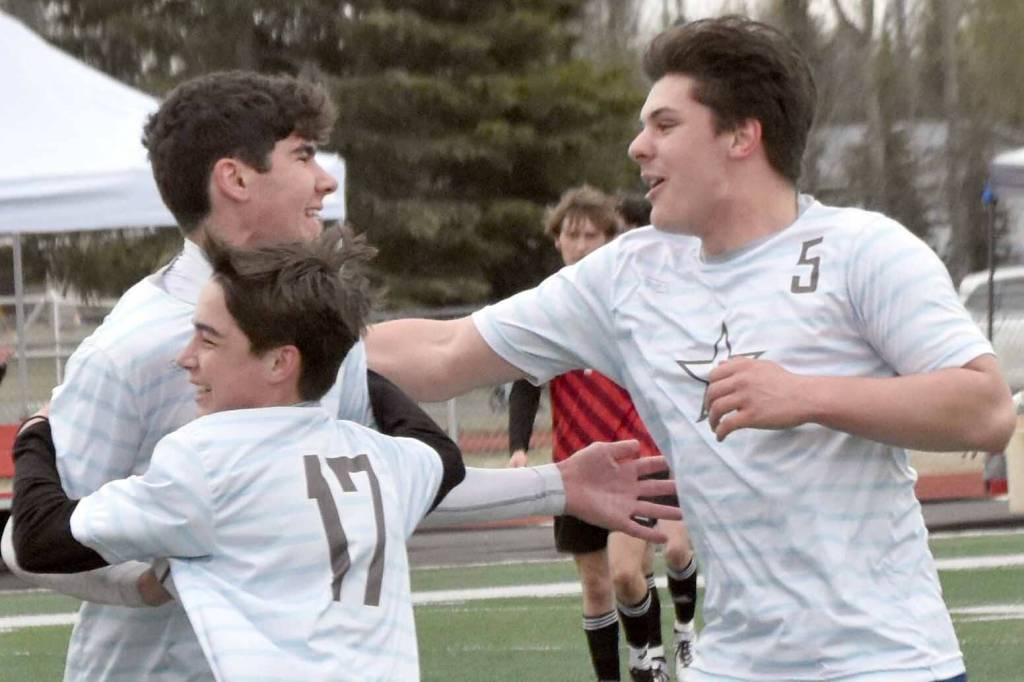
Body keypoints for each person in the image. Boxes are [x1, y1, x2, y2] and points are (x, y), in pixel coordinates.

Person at [366, 16, 1015, 682]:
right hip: (731, 665)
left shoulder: (863, 251)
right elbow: (443, 353)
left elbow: (985, 408)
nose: (637, 146)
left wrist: (807, 395)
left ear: (742, 134)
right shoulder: (629, 274)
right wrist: (279, 341)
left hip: (889, 665)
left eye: (665, 125)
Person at [2, 71, 678, 682]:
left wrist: (559, 485)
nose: (326, 181)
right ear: (235, 179)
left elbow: (369, 482)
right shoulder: (128, 349)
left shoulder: (314, 321)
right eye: (303, 156)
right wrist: (145, 581)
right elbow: (33, 541)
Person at [506, 186, 698, 682]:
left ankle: (652, 656)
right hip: (575, 466)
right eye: (572, 236)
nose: (581, 245)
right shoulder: (546, 308)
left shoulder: (632, 300)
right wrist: (519, 447)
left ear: (611, 239)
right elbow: (525, 383)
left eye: (592, 235)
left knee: (627, 573)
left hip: (637, 461)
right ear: (557, 242)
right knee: (596, 590)